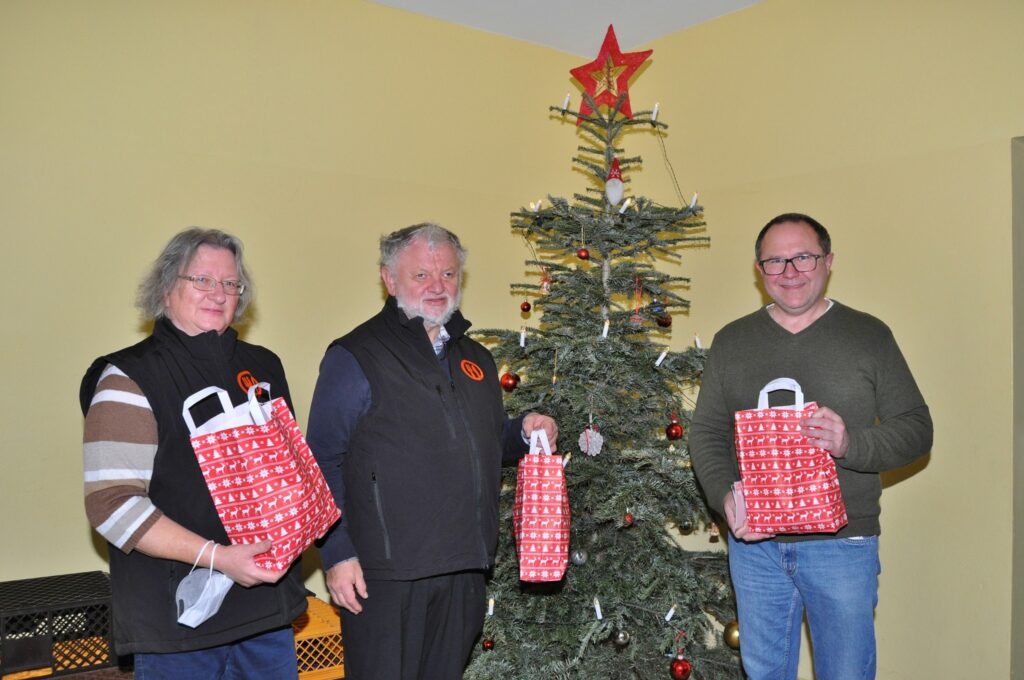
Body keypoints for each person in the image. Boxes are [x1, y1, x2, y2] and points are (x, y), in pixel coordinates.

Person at [307, 223, 558, 680]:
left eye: (447, 274)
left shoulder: (477, 359)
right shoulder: (355, 355)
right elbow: (322, 459)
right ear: (389, 279)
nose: (437, 287)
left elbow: (484, 441)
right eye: (422, 275)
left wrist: (522, 432)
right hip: (384, 576)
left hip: (465, 568)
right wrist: (337, 553)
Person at [689, 213, 932, 680]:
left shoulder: (869, 335)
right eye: (774, 261)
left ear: (828, 261)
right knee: (764, 673)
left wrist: (850, 443)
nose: (790, 272)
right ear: (760, 272)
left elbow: (917, 429)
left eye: (802, 257)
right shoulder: (732, 341)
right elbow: (707, 433)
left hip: (844, 544)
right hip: (755, 547)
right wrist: (725, 500)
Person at [80, 228, 307, 679]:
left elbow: (287, 477)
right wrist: (218, 557)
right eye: (201, 280)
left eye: (230, 283)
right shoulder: (128, 377)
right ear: (167, 288)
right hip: (179, 625)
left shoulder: (263, 367)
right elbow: (111, 505)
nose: (218, 294)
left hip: (267, 613)